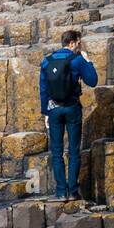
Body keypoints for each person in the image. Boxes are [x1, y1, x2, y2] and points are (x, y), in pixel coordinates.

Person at [39, 30, 98, 201]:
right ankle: (73, 191)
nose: (80, 47)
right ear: (72, 43)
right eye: (79, 43)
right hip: (72, 108)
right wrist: (88, 61)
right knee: (73, 151)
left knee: (56, 152)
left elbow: (43, 90)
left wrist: (45, 112)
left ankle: (60, 192)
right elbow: (93, 81)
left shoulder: (46, 61)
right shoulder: (77, 59)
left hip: (53, 109)